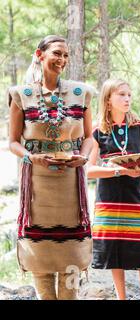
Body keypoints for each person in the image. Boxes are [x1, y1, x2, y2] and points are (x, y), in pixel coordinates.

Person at [7, 35, 95, 300]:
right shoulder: (21, 95)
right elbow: (12, 142)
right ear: (40, 54)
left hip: (70, 185)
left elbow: (89, 137)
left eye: (66, 55)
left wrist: (84, 156)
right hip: (37, 184)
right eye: (57, 53)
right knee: (41, 254)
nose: (62, 60)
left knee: (70, 254)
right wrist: (30, 158)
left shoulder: (82, 93)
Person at [87, 79, 140, 300]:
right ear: (107, 100)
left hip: (135, 196)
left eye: (129, 95)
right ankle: (121, 297)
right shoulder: (97, 132)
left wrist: (138, 168)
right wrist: (119, 171)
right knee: (114, 250)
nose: (127, 99)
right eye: (121, 95)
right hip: (108, 198)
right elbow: (89, 170)